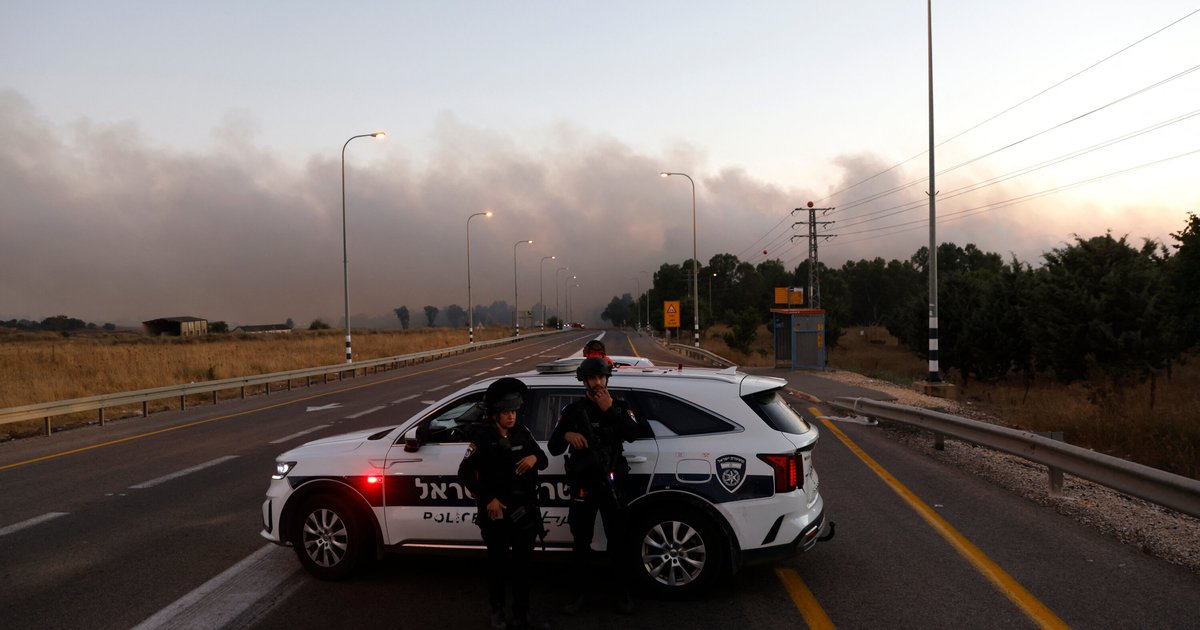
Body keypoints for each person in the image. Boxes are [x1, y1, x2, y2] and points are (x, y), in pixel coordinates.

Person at [547, 357, 639, 615]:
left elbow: (633, 434)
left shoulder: (620, 406)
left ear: (607, 379)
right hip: (583, 486)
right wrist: (567, 434)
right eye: (592, 378)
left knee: (618, 541)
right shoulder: (573, 411)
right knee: (580, 542)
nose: (597, 383)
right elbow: (554, 447)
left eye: (601, 377)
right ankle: (580, 594)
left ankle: (622, 593)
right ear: (584, 381)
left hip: (613, 485)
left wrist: (609, 409)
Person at [458, 377, 551, 630]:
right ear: (495, 414)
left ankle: (522, 613)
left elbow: (542, 459)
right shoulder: (482, 438)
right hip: (496, 513)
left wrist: (533, 456)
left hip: (524, 512)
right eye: (506, 412)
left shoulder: (522, 432)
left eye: (513, 411)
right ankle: (496, 610)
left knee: (522, 567)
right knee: (498, 566)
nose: (511, 416)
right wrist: (489, 498)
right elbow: (464, 474)